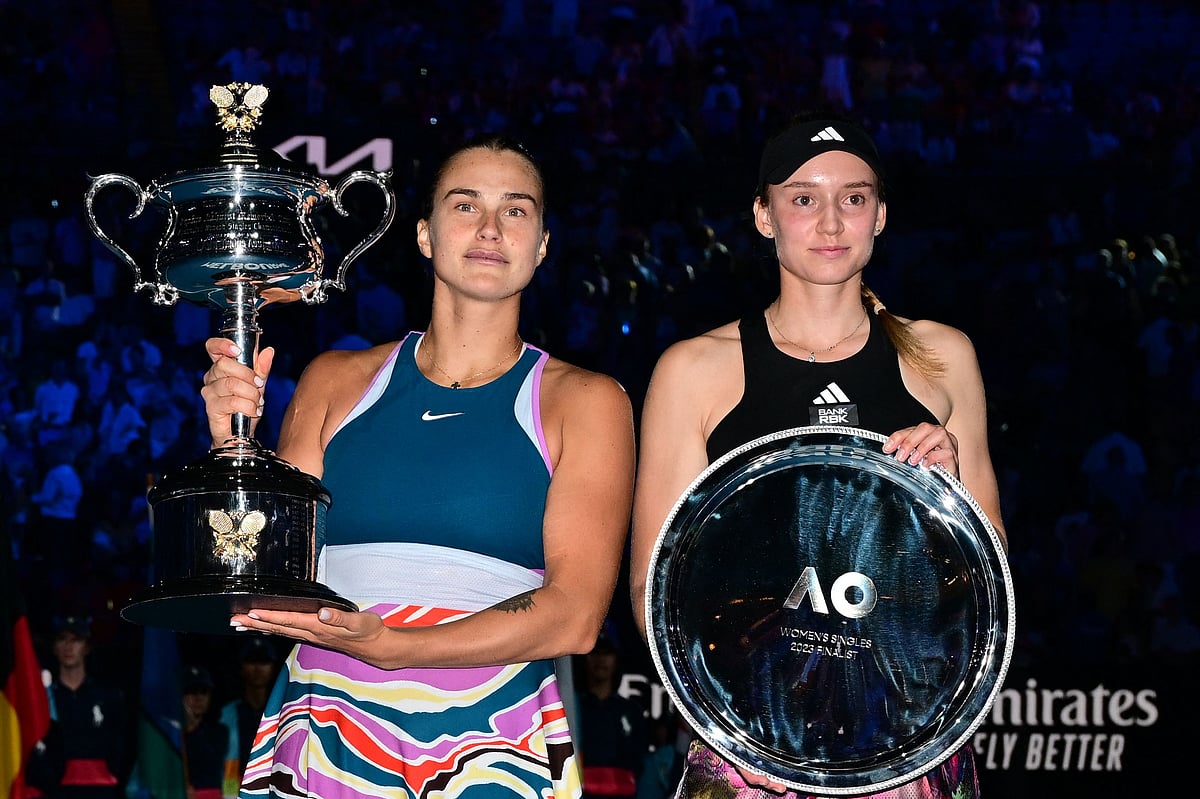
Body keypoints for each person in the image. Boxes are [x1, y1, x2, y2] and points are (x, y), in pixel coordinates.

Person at [199, 136, 636, 798]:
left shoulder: (587, 402)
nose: (491, 228)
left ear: (542, 245)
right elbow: (260, 581)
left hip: (493, 745)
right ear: (425, 235)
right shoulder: (335, 381)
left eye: (516, 211)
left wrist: (396, 644)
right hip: (326, 726)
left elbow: (574, 617)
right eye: (466, 206)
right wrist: (231, 448)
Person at [630, 115, 1007, 798]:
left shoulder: (943, 358)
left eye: (853, 198)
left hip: (908, 745)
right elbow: (655, 588)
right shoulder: (694, 370)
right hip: (749, 748)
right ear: (763, 214)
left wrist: (954, 502)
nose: (831, 220)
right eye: (804, 198)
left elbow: (992, 577)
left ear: (881, 215)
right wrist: (726, 723)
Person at [44, 615, 127, 798]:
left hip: (102, 791)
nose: (69, 647)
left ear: (87, 647)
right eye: (62, 639)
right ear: (54, 648)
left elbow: (121, 742)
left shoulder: (108, 695)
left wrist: (110, 776)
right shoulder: (44, 698)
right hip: (57, 792)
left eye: (76, 640)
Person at [575, 636, 646, 799]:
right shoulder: (572, 707)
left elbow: (640, 765)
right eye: (594, 653)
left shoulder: (631, 711)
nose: (600, 659)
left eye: (607, 653)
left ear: (616, 661)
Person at [218, 637, 280, 798]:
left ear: (273, 667)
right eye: (252, 661)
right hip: (233, 789)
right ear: (241, 667)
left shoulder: (282, 710)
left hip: (272, 788)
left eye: (264, 662)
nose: (258, 668)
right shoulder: (228, 712)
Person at [181, 665, 230, 799]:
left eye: (203, 692)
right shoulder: (170, 734)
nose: (198, 698)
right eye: (191, 692)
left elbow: (212, 765)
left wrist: (192, 729)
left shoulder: (220, 731)